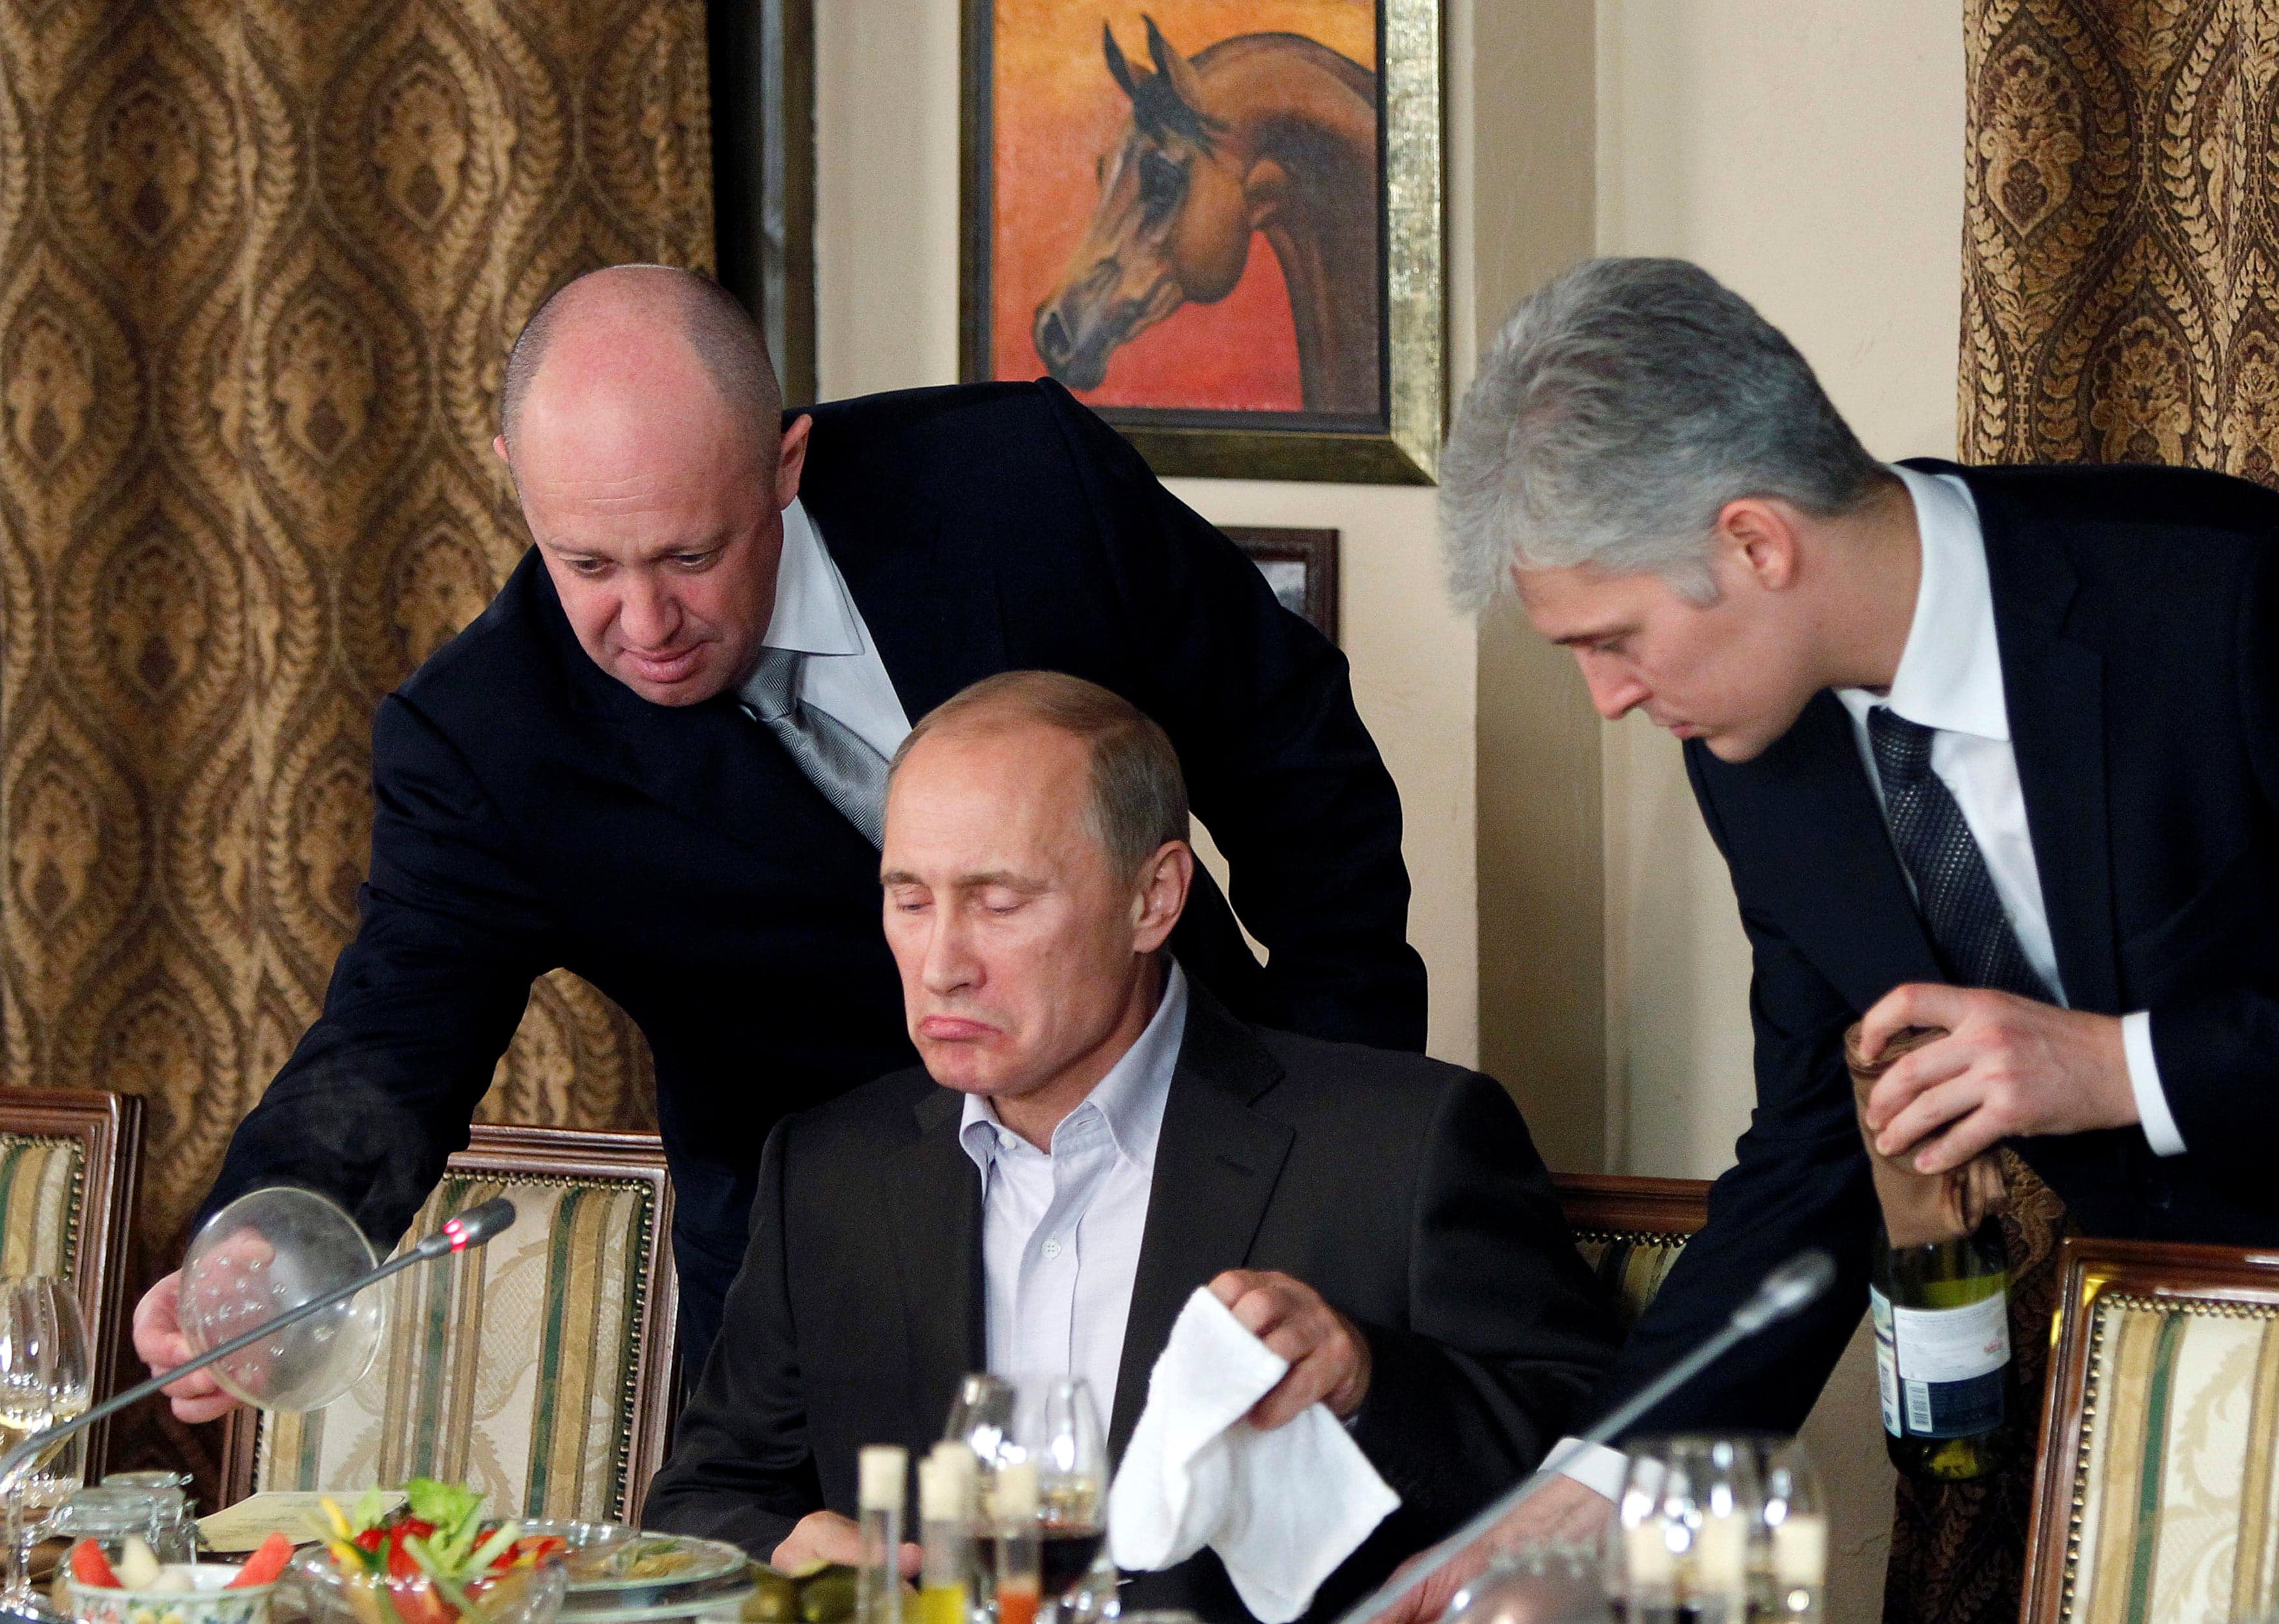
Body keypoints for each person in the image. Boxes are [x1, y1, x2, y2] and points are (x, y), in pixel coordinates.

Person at [132, 266, 1429, 1421]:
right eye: (584, 562)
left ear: (786, 462)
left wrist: (1335, 1131)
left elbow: (1298, 767)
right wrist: (263, 1246)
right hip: (825, 1313)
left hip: (1200, 1196)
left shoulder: (1020, 487)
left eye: (692, 554)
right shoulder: (486, 739)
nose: (645, 622)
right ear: (512, 478)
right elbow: (384, 1050)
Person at [1403, 255, 2279, 1605]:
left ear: (1754, 541)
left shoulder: (2223, 596)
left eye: (1613, 638)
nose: (1605, 699)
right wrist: (1587, 1484)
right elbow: (1813, 1152)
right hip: (2157, 1430)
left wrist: (2118, 1069)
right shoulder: (1754, 752)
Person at [641, 672, 1620, 1624]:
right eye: (909, 897)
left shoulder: (1402, 1143)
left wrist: (1368, 1374)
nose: (941, 963)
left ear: (1155, 898)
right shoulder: (830, 1170)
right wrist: (786, 1549)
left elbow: (1598, 1452)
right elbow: (701, 1500)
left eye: (998, 901)